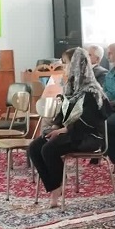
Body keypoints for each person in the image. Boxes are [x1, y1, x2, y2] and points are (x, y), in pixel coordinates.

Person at [29, 47, 108, 207]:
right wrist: (55, 126)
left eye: (65, 63)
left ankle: (56, 189)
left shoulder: (92, 91)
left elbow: (89, 120)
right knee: (34, 147)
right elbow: (63, 112)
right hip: (71, 133)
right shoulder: (71, 87)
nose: (63, 66)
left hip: (88, 136)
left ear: (75, 65)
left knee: (48, 149)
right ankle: (55, 184)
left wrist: (63, 130)